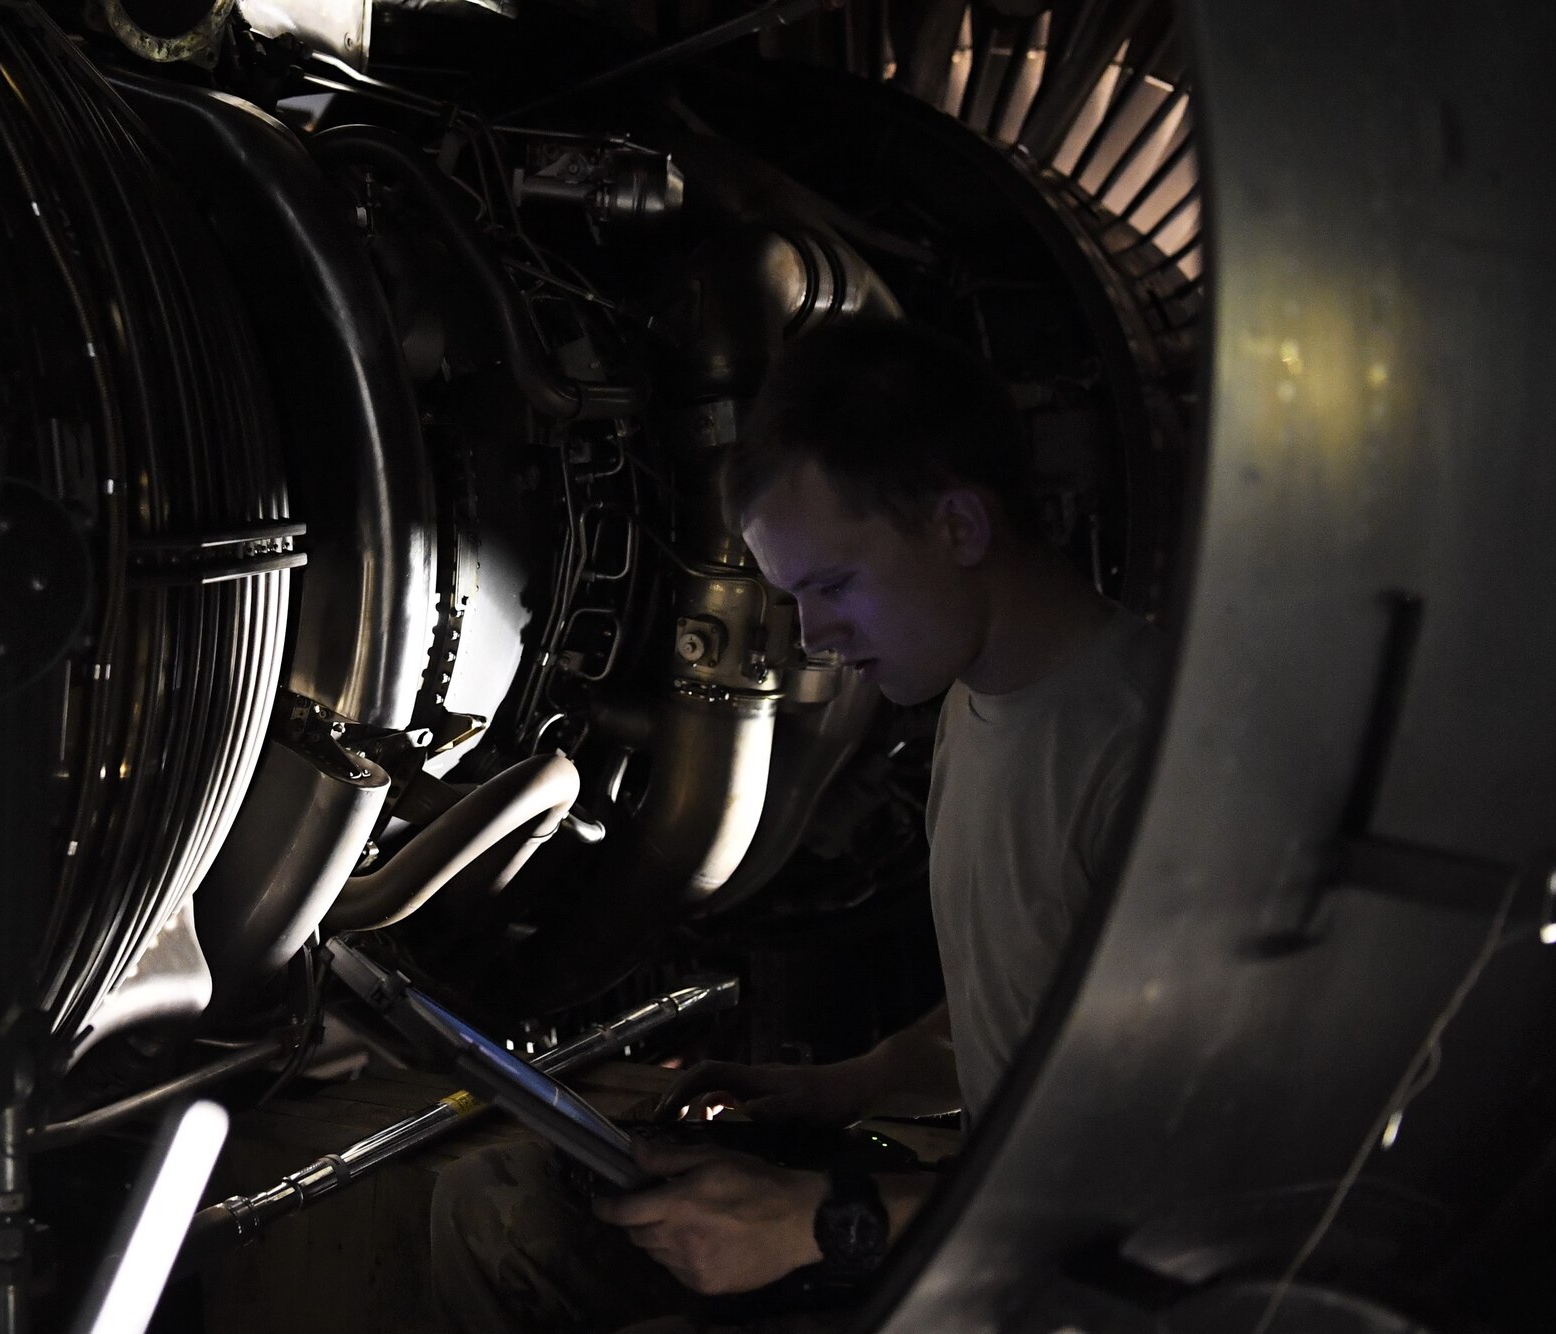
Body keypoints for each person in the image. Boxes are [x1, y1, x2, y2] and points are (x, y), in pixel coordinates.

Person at [429, 319, 1166, 1333]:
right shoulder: (976, 693)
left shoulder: (1143, 760)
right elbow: (1023, 1020)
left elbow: (1174, 1197)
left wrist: (824, 1219)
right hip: (983, 1237)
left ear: (958, 525)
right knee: (502, 1206)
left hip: (1070, 1291)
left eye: (832, 585)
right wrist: (839, 1086)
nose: (813, 637)